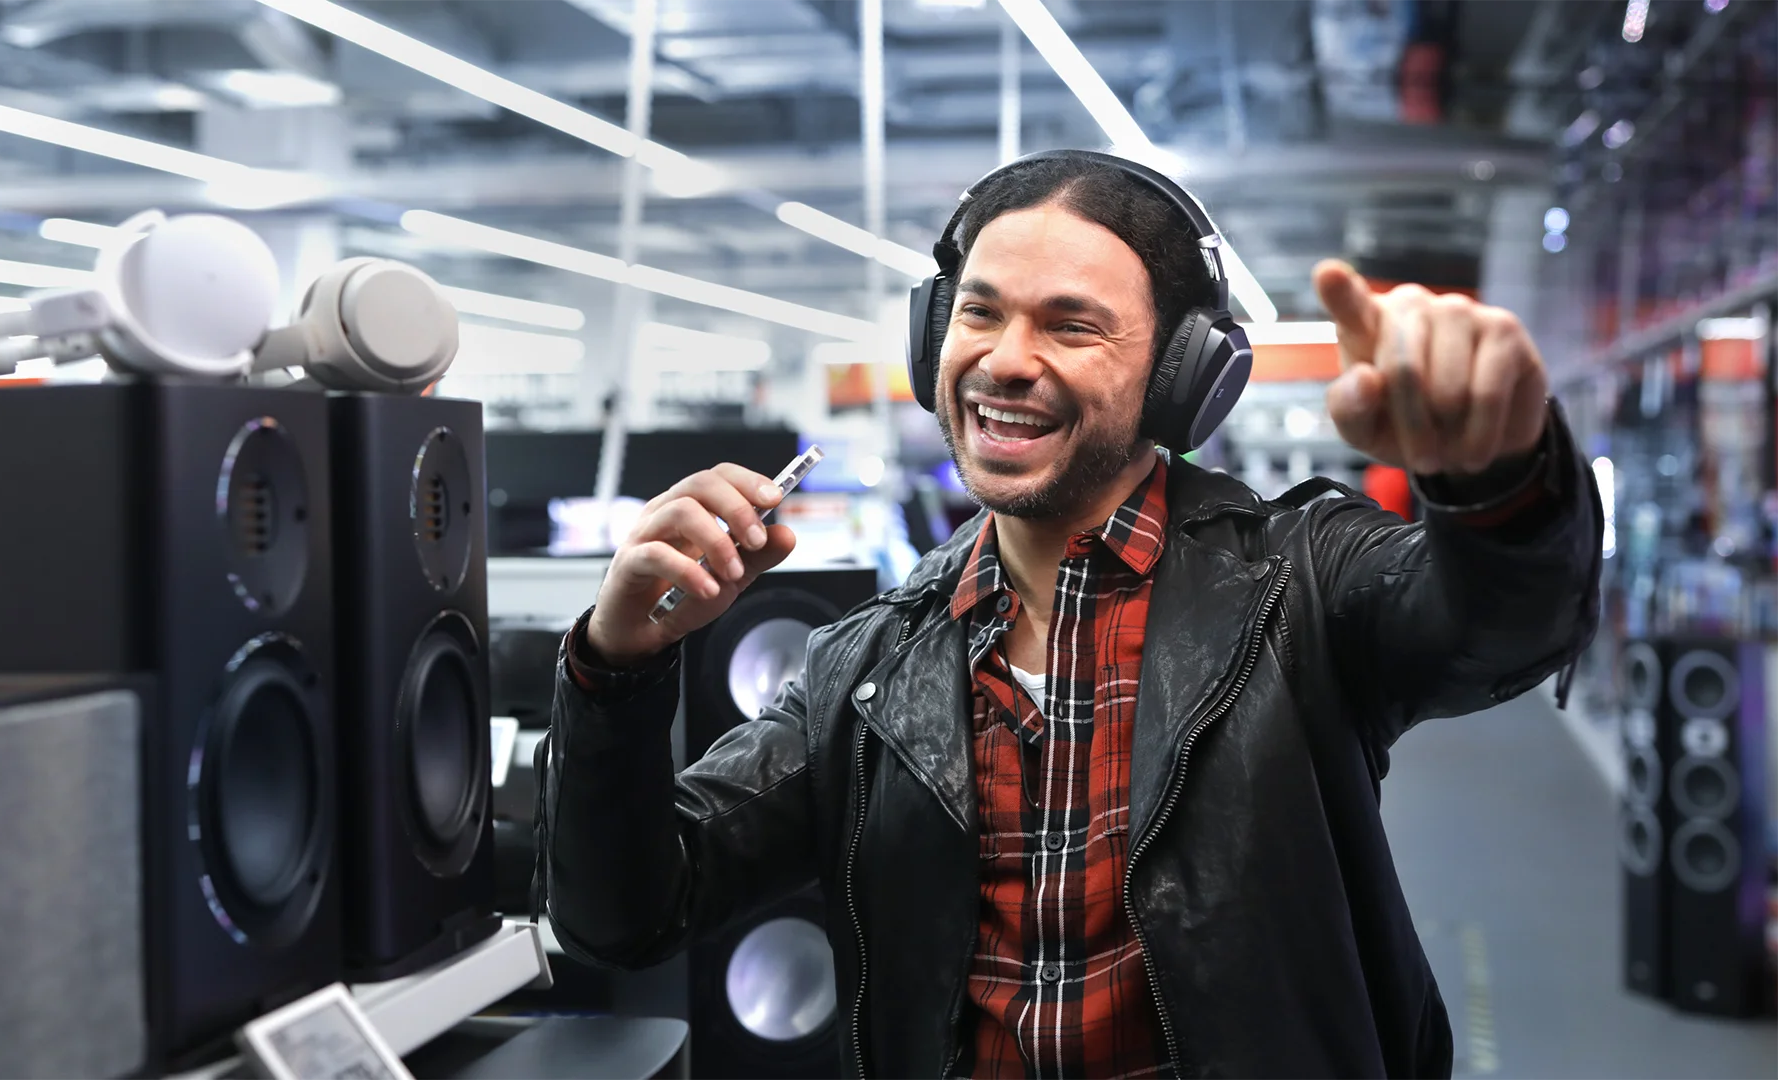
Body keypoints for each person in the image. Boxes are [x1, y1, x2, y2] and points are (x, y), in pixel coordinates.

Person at [538, 150, 1600, 1080]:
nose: (1004, 357)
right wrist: (615, 666)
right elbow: (626, 916)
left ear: (1184, 378)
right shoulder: (868, 666)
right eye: (981, 311)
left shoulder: (1298, 585)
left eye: (1072, 326)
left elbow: (1503, 621)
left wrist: (1501, 475)